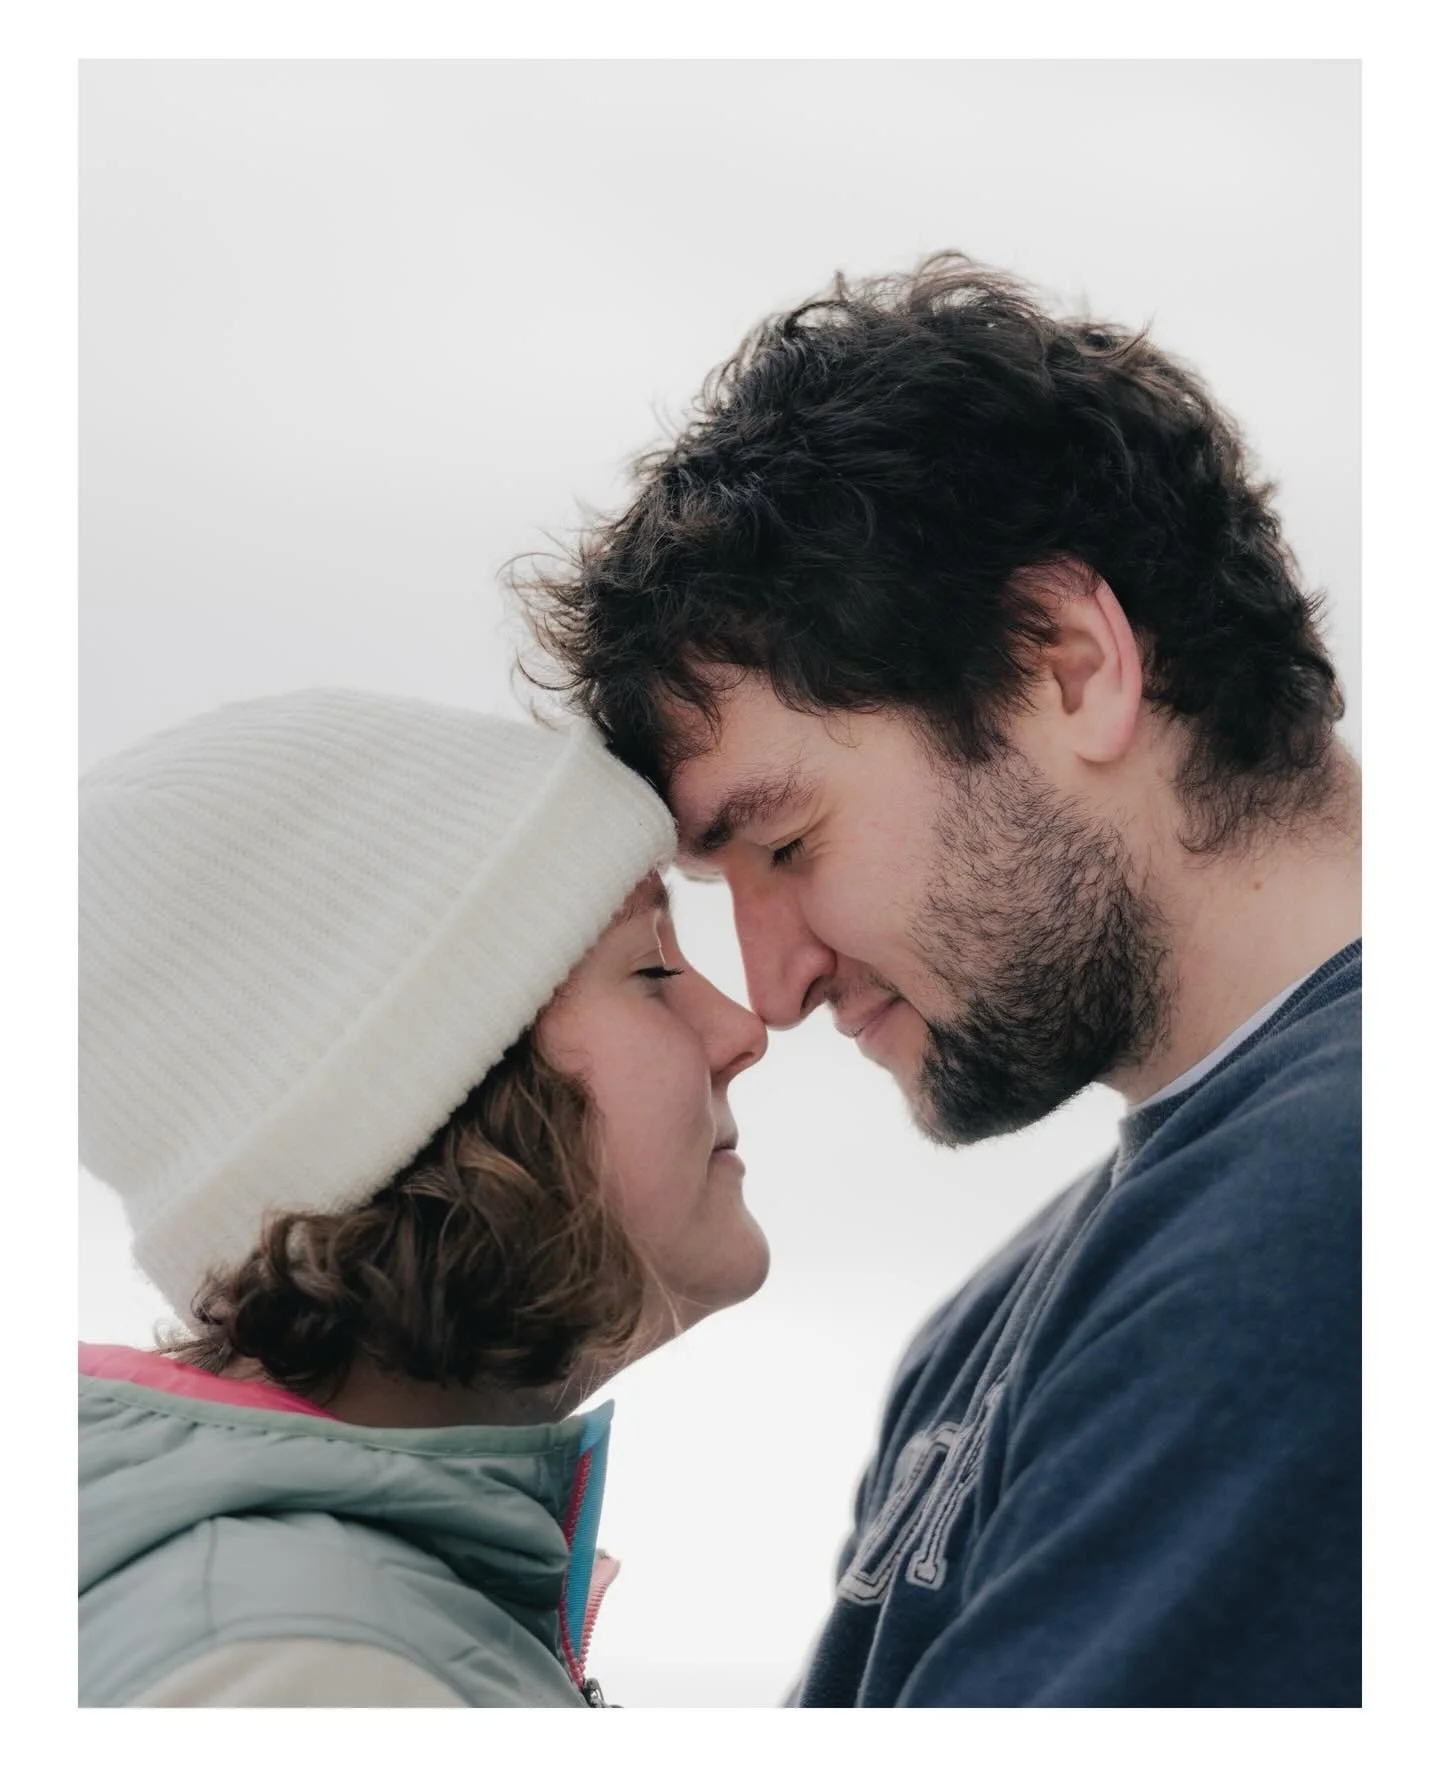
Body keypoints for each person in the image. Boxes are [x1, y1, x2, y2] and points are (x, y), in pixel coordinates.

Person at [516, 252, 1361, 1706]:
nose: (770, 993)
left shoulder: (1325, 1222)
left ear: (1065, 662)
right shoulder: (1008, 1315)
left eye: (784, 841)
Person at [78, 687, 768, 1707]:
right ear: (442, 1102)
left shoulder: (343, 1617)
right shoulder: (306, 1672)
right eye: (652, 966)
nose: (742, 1029)